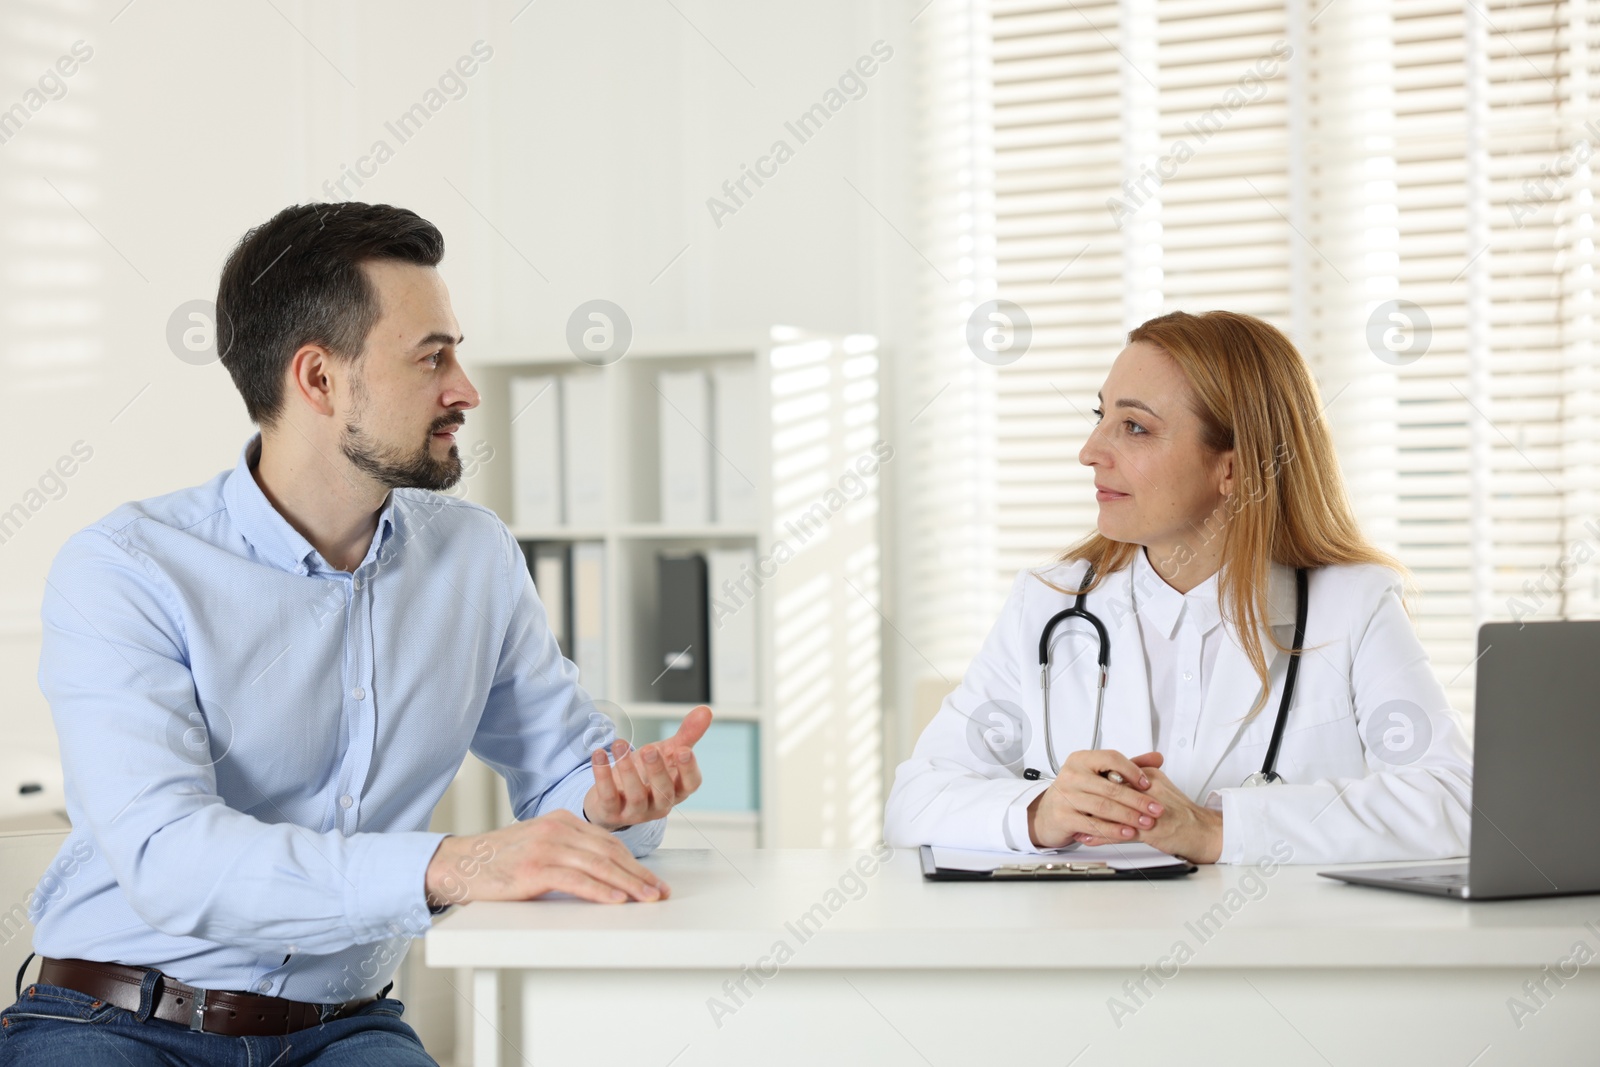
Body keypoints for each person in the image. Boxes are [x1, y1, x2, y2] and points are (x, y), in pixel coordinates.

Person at [0, 203, 711, 1065]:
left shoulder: (473, 556)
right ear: (320, 380)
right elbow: (169, 855)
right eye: (432, 356)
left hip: (342, 1029)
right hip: (114, 1018)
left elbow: (563, 767)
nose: (466, 389)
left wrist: (606, 804)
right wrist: (447, 865)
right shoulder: (127, 569)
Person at [883, 310, 1472, 866]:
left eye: (1134, 427)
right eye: (1101, 418)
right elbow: (916, 800)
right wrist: (1040, 813)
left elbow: (1454, 802)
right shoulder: (1049, 606)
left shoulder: (1353, 606)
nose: (1089, 453)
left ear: (1234, 469)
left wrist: (1215, 830)